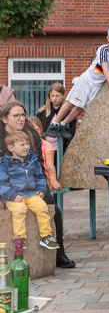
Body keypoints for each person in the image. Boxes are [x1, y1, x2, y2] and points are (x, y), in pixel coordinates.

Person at [0, 102, 74, 267]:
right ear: (4, 119)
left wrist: (42, 188)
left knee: (54, 209)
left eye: (23, 115)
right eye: (16, 116)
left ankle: (58, 253)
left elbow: (38, 164)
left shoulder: (31, 134)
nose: (21, 118)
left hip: (30, 184)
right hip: (4, 186)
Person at [0, 131, 59, 250]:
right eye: (22, 144)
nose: (26, 146)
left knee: (42, 207)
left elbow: (40, 177)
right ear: (10, 148)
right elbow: (2, 183)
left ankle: (46, 236)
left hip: (31, 194)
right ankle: (20, 238)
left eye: (27, 143)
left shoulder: (33, 160)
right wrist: (12, 195)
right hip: (13, 196)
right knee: (19, 210)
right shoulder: (4, 163)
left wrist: (41, 189)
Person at [37, 83, 76, 152]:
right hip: (44, 150)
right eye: (52, 96)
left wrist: (66, 153)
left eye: (57, 96)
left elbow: (71, 134)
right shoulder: (42, 112)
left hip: (61, 150)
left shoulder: (69, 113)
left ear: (64, 95)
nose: (54, 99)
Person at [27, 117, 61, 193]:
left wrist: (53, 180)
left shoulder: (46, 145)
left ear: (41, 129)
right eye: (31, 130)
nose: (34, 132)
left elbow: (50, 164)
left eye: (37, 129)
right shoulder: (25, 145)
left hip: (43, 177)